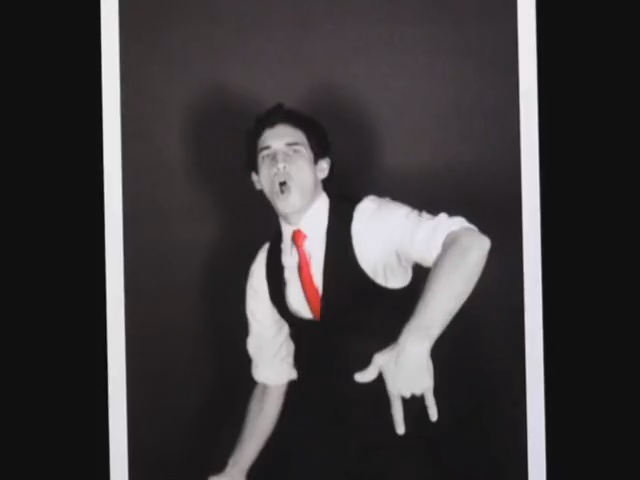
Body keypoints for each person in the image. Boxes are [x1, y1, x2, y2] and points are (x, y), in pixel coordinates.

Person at [209, 103, 491, 480]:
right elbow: (271, 378)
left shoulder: (370, 221)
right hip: (332, 454)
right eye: (267, 156)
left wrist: (416, 341)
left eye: (293, 150)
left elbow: (469, 244)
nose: (279, 163)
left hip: (417, 446)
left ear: (321, 168)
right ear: (257, 180)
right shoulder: (264, 268)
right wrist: (235, 470)